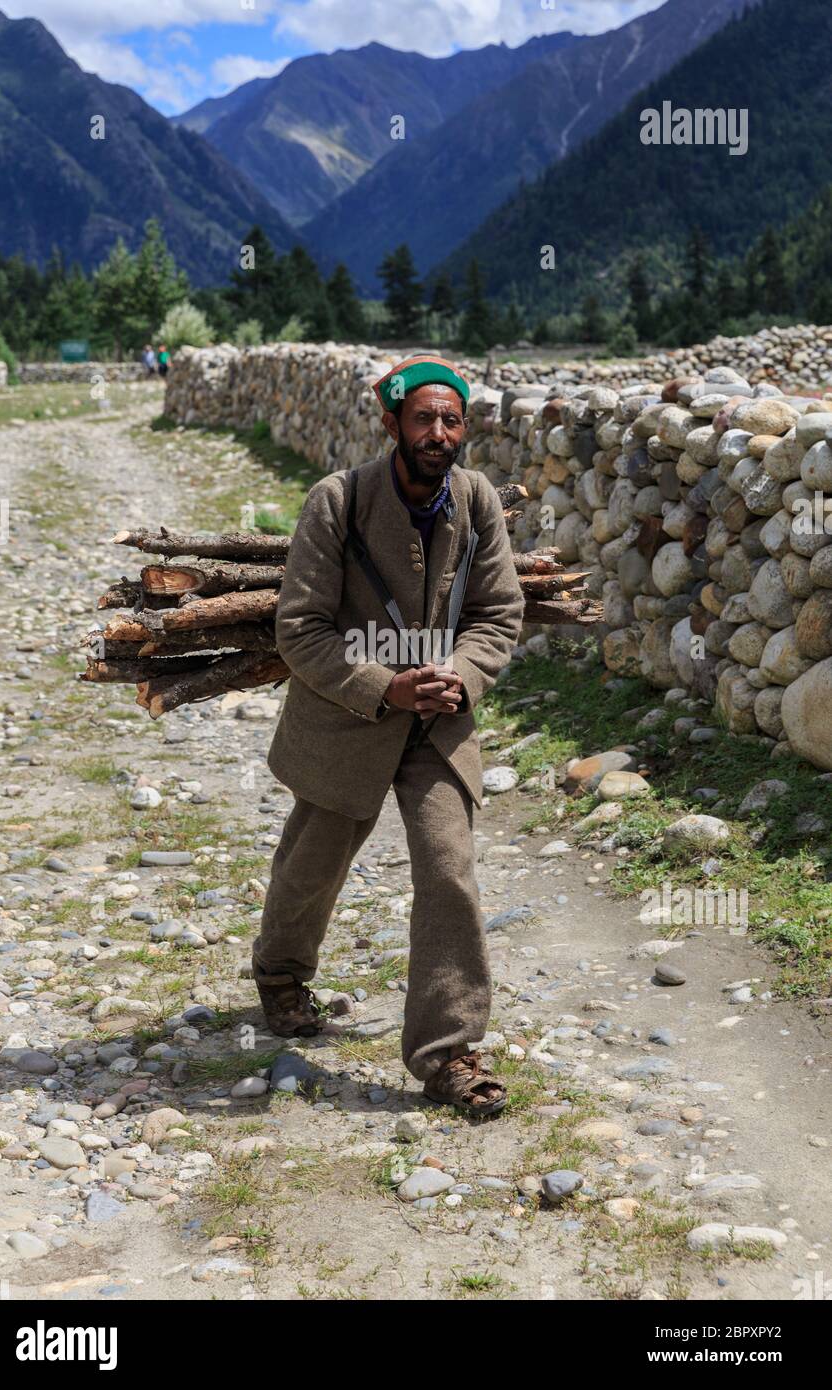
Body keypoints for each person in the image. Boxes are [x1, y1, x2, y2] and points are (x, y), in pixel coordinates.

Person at [251, 353, 525, 1116]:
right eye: (423, 419)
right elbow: (299, 628)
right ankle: (280, 977)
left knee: (448, 870)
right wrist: (385, 685)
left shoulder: (476, 502)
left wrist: (460, 677)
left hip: (438, 723)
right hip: (346, 719)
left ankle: (448, 1054)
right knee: (314, 858)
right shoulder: (336, 501)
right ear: (391, 423)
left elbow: (499, 614)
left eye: (452, 420)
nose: (439, 433)